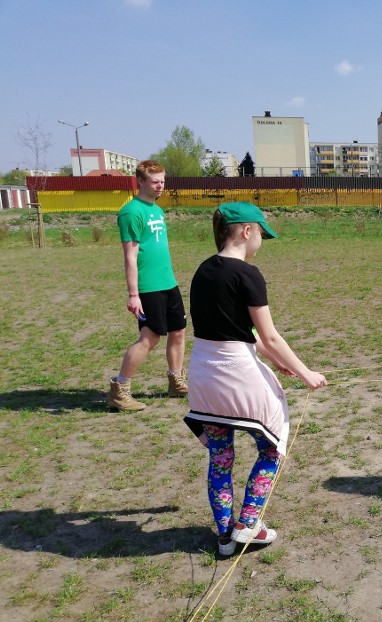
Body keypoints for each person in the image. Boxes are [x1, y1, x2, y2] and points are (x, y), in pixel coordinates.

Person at [183, 202, 327, 557]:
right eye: (261, 232)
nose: (261, 240)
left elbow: (238, 333)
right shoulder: (249, 274)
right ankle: (249, 523)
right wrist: (307, 372)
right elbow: (270, 335)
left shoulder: (202, 271)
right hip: (237, 378)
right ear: (246, 231)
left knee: (220, 457)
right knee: (273, 446)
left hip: (203, 377)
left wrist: (277, 362)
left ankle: (224, 536)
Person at [107, 160, 187, 411]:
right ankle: (120, 389)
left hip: (168, 283)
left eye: (162, 180)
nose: (160, 185)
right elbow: (129, 257)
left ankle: (176, 381)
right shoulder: (131, 212)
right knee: (150, 338)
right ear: (140, 182)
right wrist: (134, 294)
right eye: (155, 181)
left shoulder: (157, 210)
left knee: (178, 331)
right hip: (148, 287)